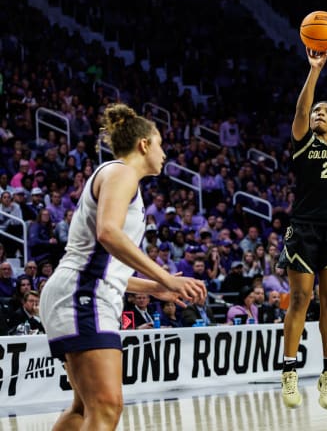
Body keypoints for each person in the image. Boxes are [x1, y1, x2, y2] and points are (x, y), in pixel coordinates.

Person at [39, 104, 206, 431]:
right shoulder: (121, 172)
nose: (164, 153)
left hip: (80, 290)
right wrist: (166, 276)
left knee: (85, 407)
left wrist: (155, 287)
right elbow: (108, 232)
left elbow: (105, 266)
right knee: (106, 407)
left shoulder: (121, 178)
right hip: (81, 295)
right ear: (144, 144)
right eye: (160, 144)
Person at [278, 42, 327, 410]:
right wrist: (314, 71)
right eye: (316, 112)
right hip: (305, 226)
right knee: (299, 299)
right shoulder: (302, 142)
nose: (318, 115)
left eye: (325, 112)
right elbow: (300, 109)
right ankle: (290, 372)